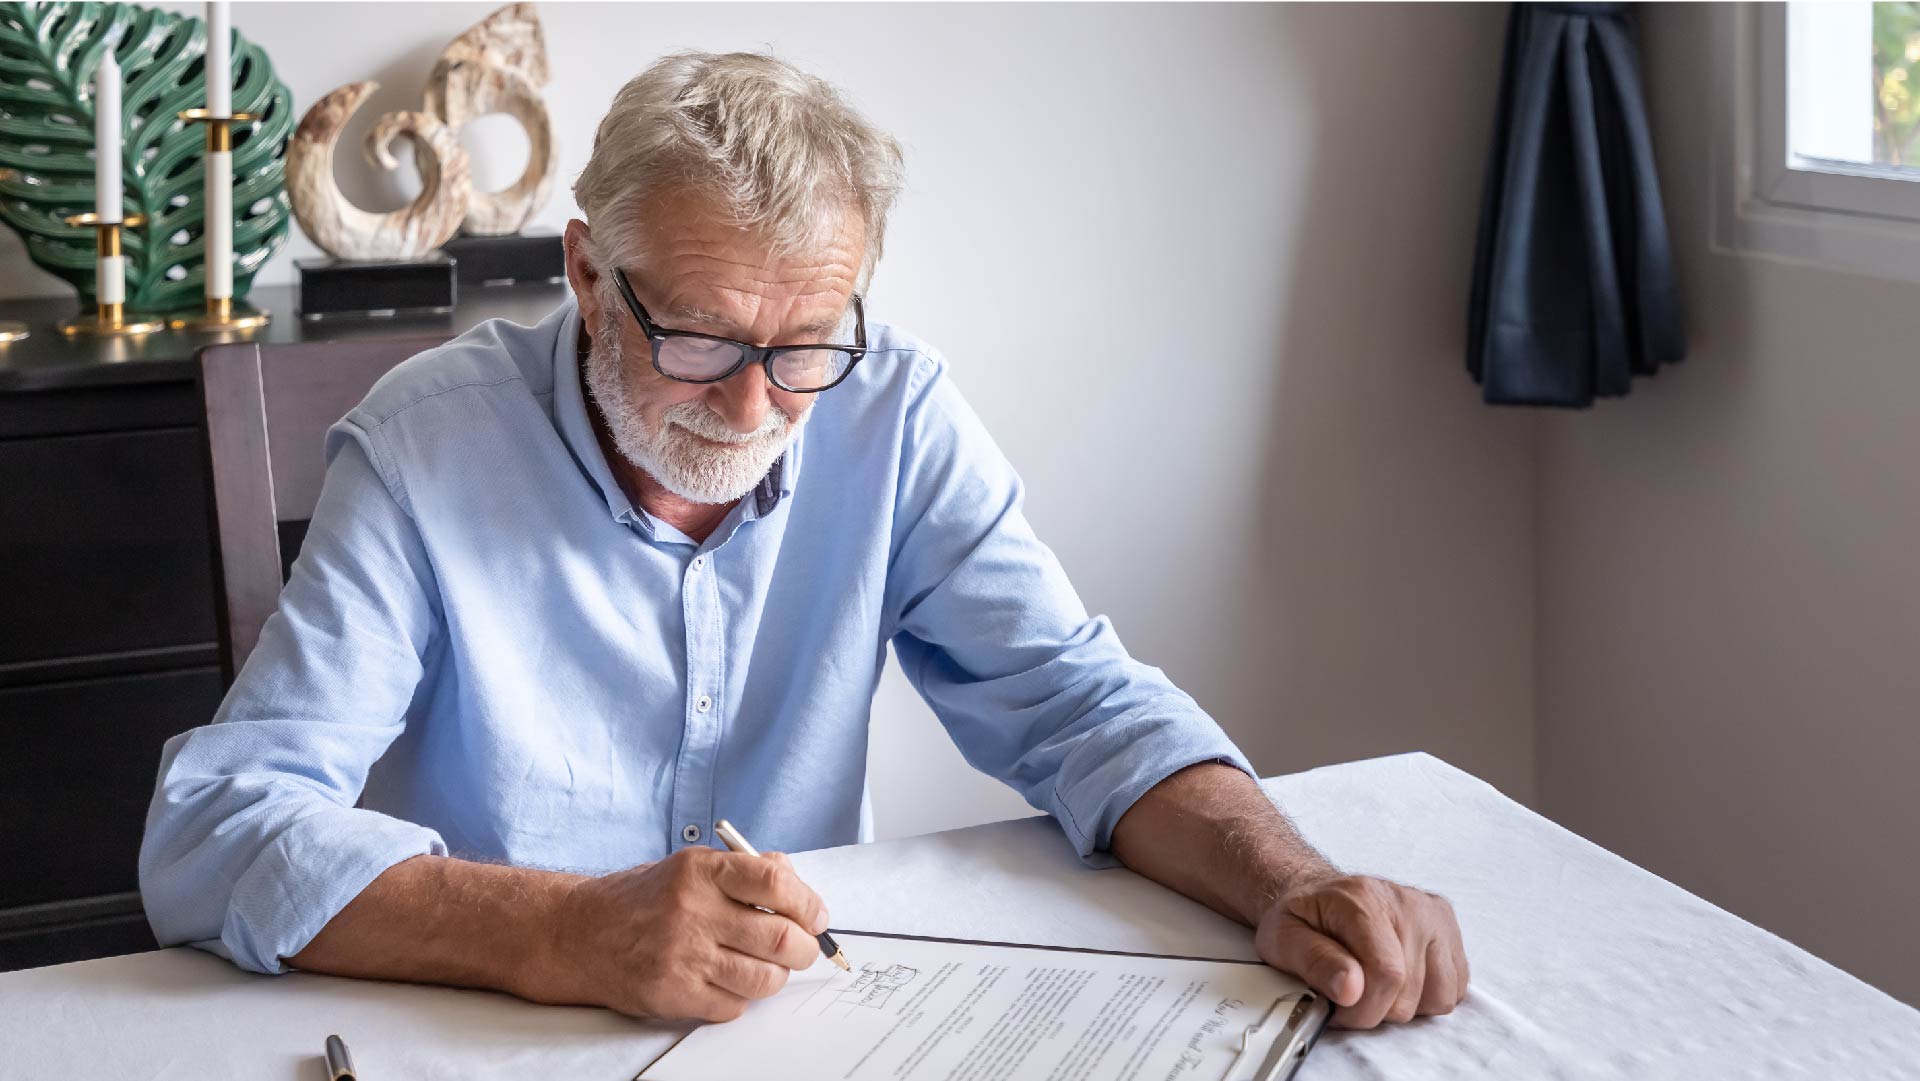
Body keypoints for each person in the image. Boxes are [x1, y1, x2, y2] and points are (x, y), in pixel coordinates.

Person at [140, 51, 1466, 1030]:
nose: (758, 404)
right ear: (590, 276)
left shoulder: (894, 411)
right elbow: (213, 832)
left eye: (808, 345)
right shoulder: (425, 447)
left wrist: (1289, 882)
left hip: (796, 1032)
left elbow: (1082, 707)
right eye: (705, 339)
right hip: (486, 1028)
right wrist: (558, 929)